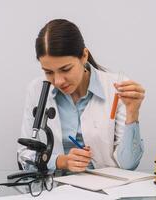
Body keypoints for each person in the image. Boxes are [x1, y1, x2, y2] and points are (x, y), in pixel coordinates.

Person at [17, 19, 145, 172]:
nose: (57, 81)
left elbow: (128, 165)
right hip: (56, 189)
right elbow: (24, 156)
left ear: (84, 56)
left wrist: (133, 113)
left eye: (65, 69)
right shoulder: (36, 90)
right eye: (48, 72)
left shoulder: (117, 87)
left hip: (105, 189)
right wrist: (60, 162)